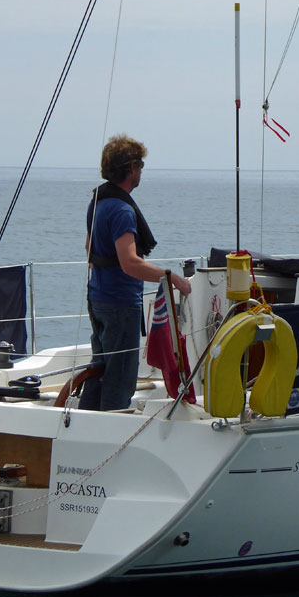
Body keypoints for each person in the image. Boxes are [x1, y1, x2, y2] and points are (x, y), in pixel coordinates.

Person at [79, 134, 192, 411]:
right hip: (119, 304)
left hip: (98, 299)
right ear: (130, 168)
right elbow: (130, 262)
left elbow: (89, 250)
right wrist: (171, 278)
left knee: (99, 371)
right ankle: (110, 434)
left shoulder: (99, 202)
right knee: (119, 378)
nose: (142, 169)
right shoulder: (121, 211)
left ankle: (85, 424)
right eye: (140, 164)